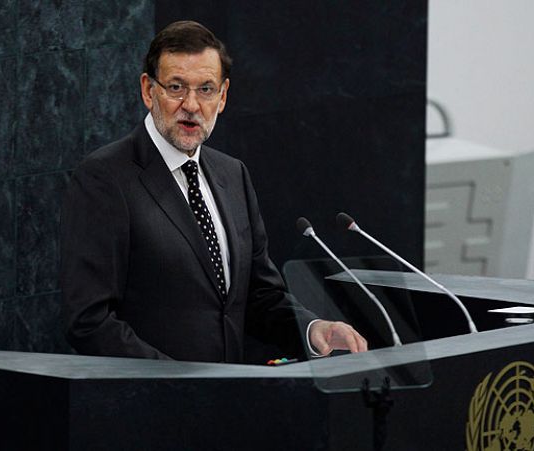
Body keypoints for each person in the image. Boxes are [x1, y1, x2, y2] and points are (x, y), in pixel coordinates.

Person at [61, 20, 367, 363]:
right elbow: (89, 321)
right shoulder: (105, 178)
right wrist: (178, 385)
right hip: (149, 404)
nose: (191, 104)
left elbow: (258, 296)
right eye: (176, 87)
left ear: (222, 97)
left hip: (227, 403)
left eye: (205, 89)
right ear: (149, 90)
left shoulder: (232, 174)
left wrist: (312, 329)